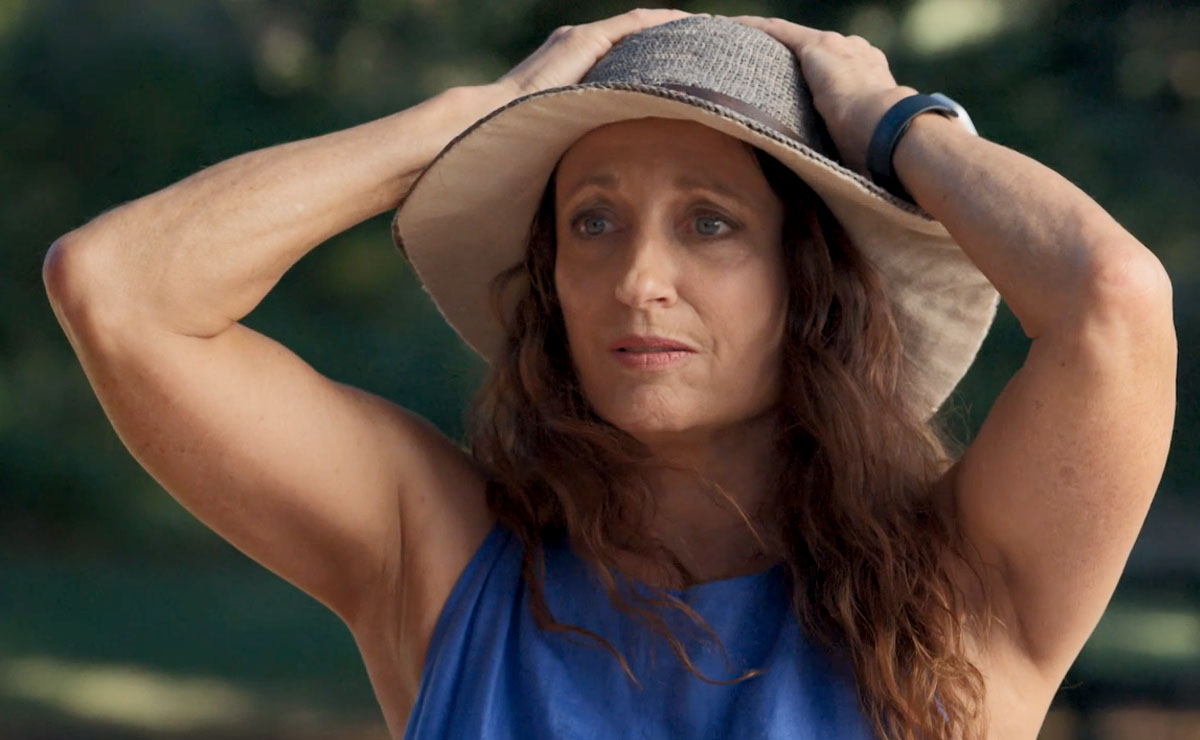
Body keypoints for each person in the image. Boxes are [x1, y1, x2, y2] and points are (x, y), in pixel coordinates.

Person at [42, 9, 1175, 740]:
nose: (637, 279)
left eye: (710, 223)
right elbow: (117, 288)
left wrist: (892, 124)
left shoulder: (959, 595)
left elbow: (1115, 302)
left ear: (808, 284)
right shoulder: (440, 554)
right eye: (592, 221)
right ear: (551, 282)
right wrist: (472, 117)